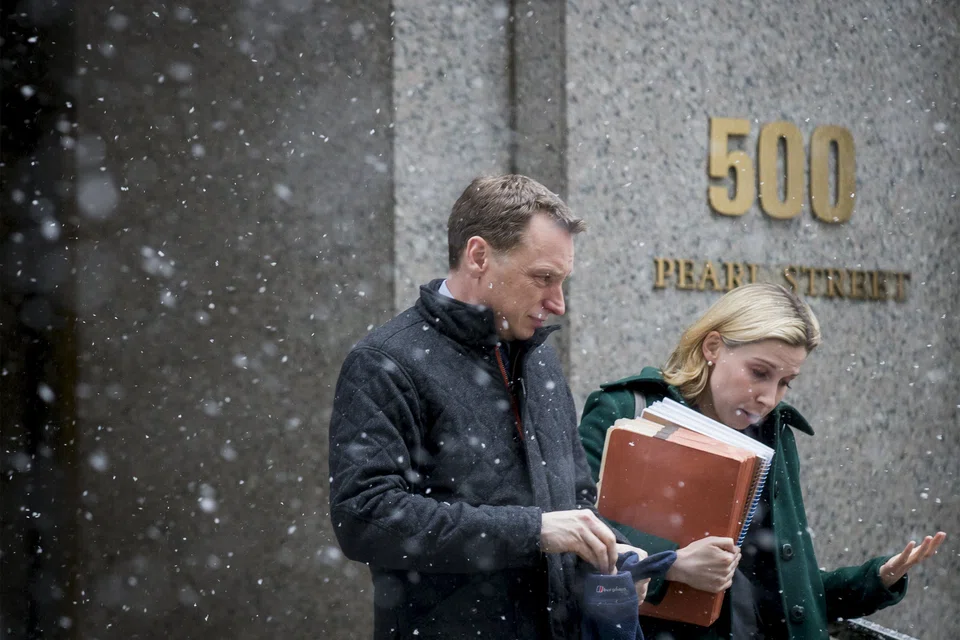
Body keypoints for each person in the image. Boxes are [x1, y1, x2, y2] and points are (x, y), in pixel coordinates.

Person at [328, 174, 652, 639]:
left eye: (562, 281)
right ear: (478, 256)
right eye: (543, 278)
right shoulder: (384, 362)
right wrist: (534, 531)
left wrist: (613, 551)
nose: (558, 303)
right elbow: (365, 516)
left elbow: (574, 500)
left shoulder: (539, 358)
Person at [578, 283, 946, 639]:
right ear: (712, 347)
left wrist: (874, 579)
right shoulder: (626, 408)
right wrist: (670, 564)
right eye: (759, 373)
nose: (769, 398)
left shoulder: (774, 434)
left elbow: (784, 590)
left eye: (786, 382)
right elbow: (573, 535)